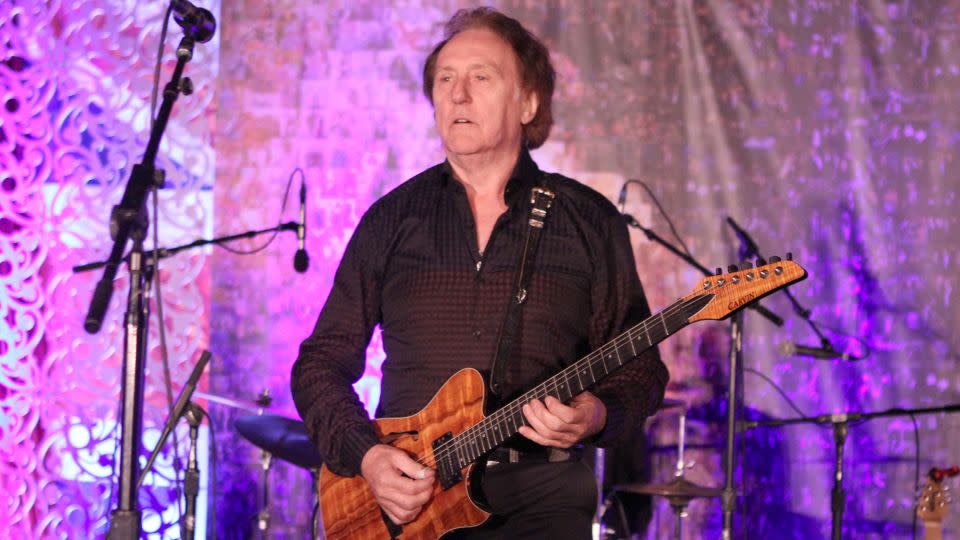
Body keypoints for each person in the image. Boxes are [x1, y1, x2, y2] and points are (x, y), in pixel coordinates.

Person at [291, 7, 668, 539]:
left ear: (528, 103)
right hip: (410, 508)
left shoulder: (588, 219)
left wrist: (596, 413)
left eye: (481, 78)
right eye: (445, 79)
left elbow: (642, 371)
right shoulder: (393, 218)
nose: (458, 95)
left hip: (544, 499)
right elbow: (319, 364)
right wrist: (369, 457)